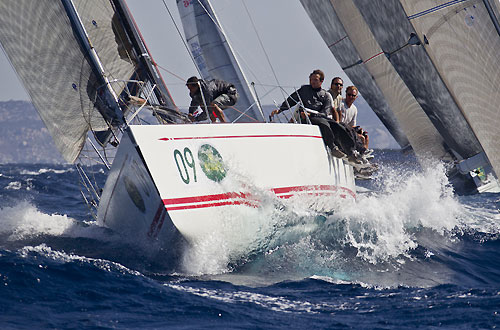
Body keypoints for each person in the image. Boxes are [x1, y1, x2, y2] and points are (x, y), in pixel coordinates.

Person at [270, 69, 346, 158]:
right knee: (323, 123)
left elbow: (325, 112)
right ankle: (332, 147)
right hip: (305, 117)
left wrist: (313, 115)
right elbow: (291, 100)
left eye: (315, 80)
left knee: (338, 126)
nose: (312, 82)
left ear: (321, 81)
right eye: (311, 79)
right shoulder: (304, 90)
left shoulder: (326, 95)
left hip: (318, 116)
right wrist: (280, 110)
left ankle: (348, 151)